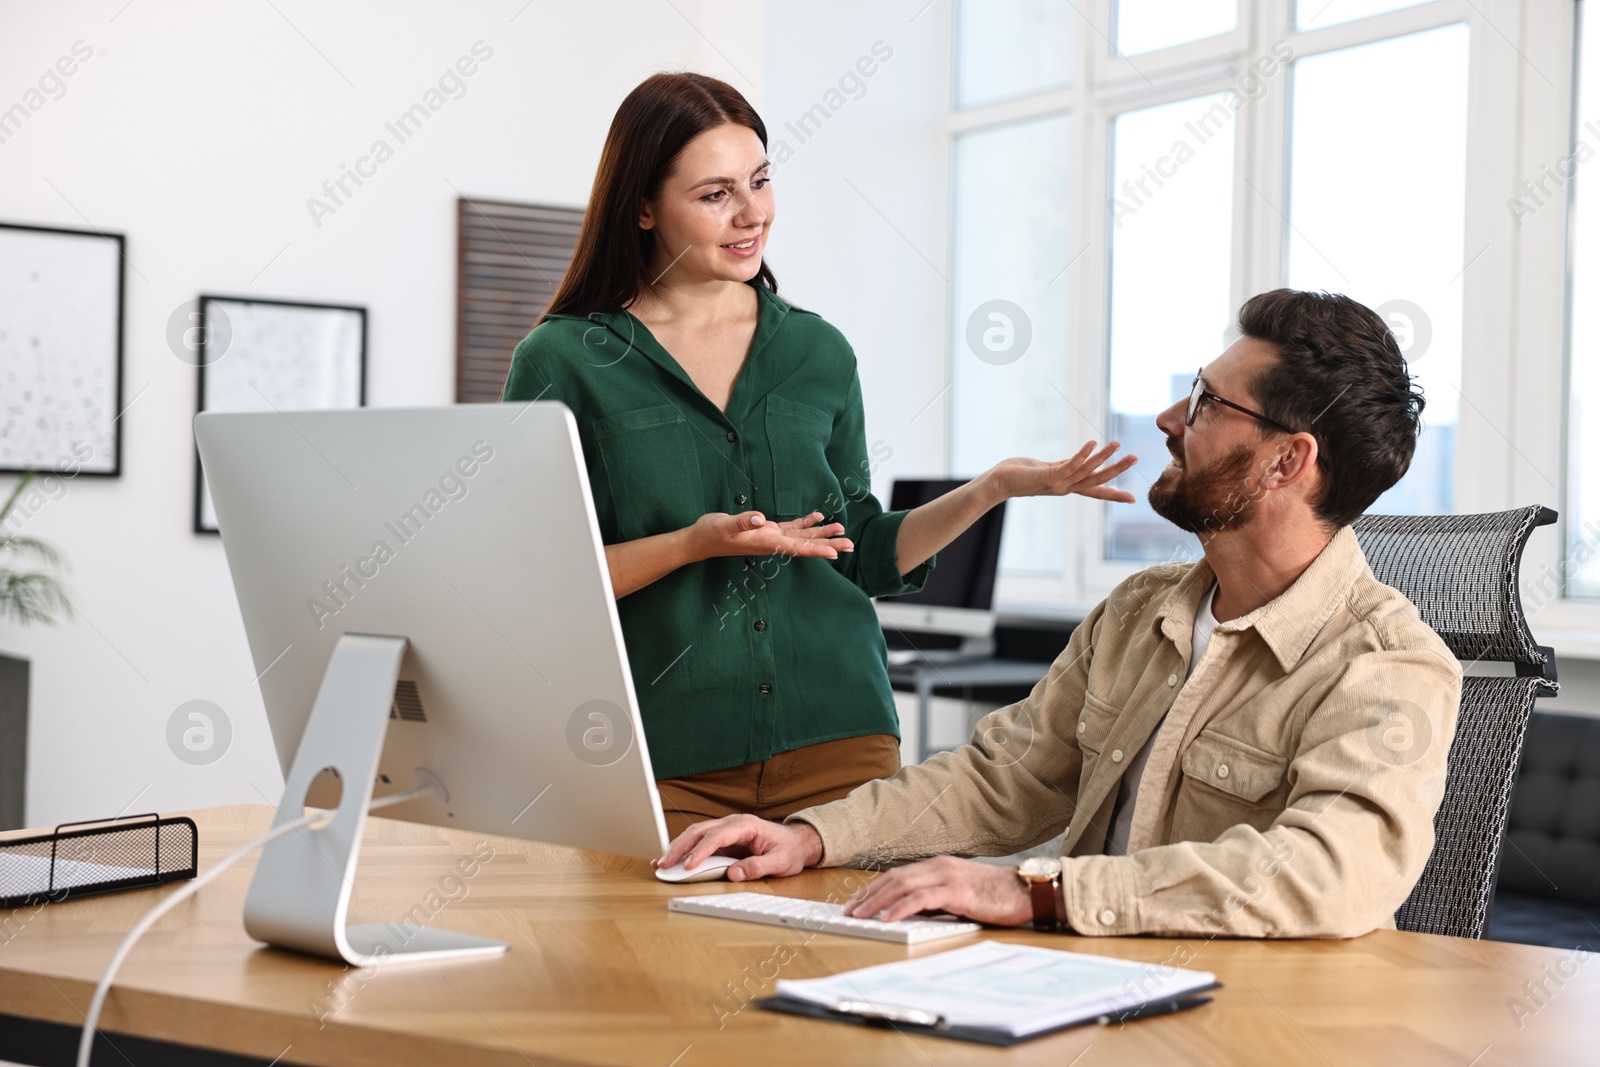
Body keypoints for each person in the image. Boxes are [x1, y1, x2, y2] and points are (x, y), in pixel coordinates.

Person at [657, 288, 1465, 940]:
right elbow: (1004, 777)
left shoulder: (1388, 664)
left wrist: (1035, 891)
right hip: (1082, 993)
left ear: (1289, 459)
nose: (1169, 420)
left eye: (1207, 401)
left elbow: (1326, 873)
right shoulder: (1139, 613)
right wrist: (810, 834)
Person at [502, 72, 1137, 837]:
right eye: (715, 195)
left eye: (761, 181)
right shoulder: (563, 359)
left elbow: (861, 550)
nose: (751, 214)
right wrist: (691, 545)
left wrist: (991, 488)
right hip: (665, 756)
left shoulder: (817, 350)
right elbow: (542, 585)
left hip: (842, 741)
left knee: (849, 958)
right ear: (642, 206)